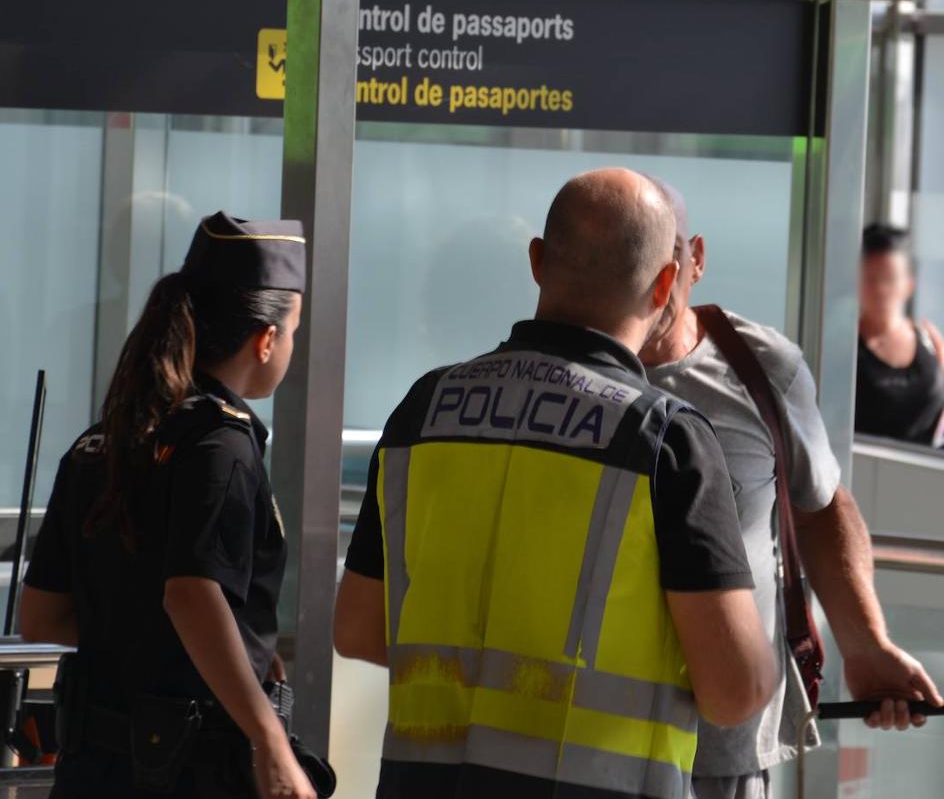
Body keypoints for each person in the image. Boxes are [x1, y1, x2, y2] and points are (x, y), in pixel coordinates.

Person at [334, 168, 778, 799]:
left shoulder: (424, 408)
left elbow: (357, 629)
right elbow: (737, 691)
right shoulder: (663, 439)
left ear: (538, 262)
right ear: (665, 283)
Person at [638, 186, 944, 799]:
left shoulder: (757, 365)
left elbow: (821, 508)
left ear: (695, 259)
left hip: (724, 746)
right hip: (586, 739)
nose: (656, 282)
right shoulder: (571, 371)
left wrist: (866, 645)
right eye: (635, 260)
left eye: (668, 258)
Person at [19, 212, 317, 799]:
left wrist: (227, 650)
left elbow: (43, 617)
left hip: (91, 771)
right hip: (185, 772)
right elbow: (190, 595)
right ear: (266, 340)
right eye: (294, 332)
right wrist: (268, 737)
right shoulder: (222, 445)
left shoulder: (104, 439)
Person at [855, 224, 944, 446]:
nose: (880, 289)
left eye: (889, 278)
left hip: (924, 470)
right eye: (871, 278)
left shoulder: (929, 338)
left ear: (909, 284)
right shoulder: (844, 345)